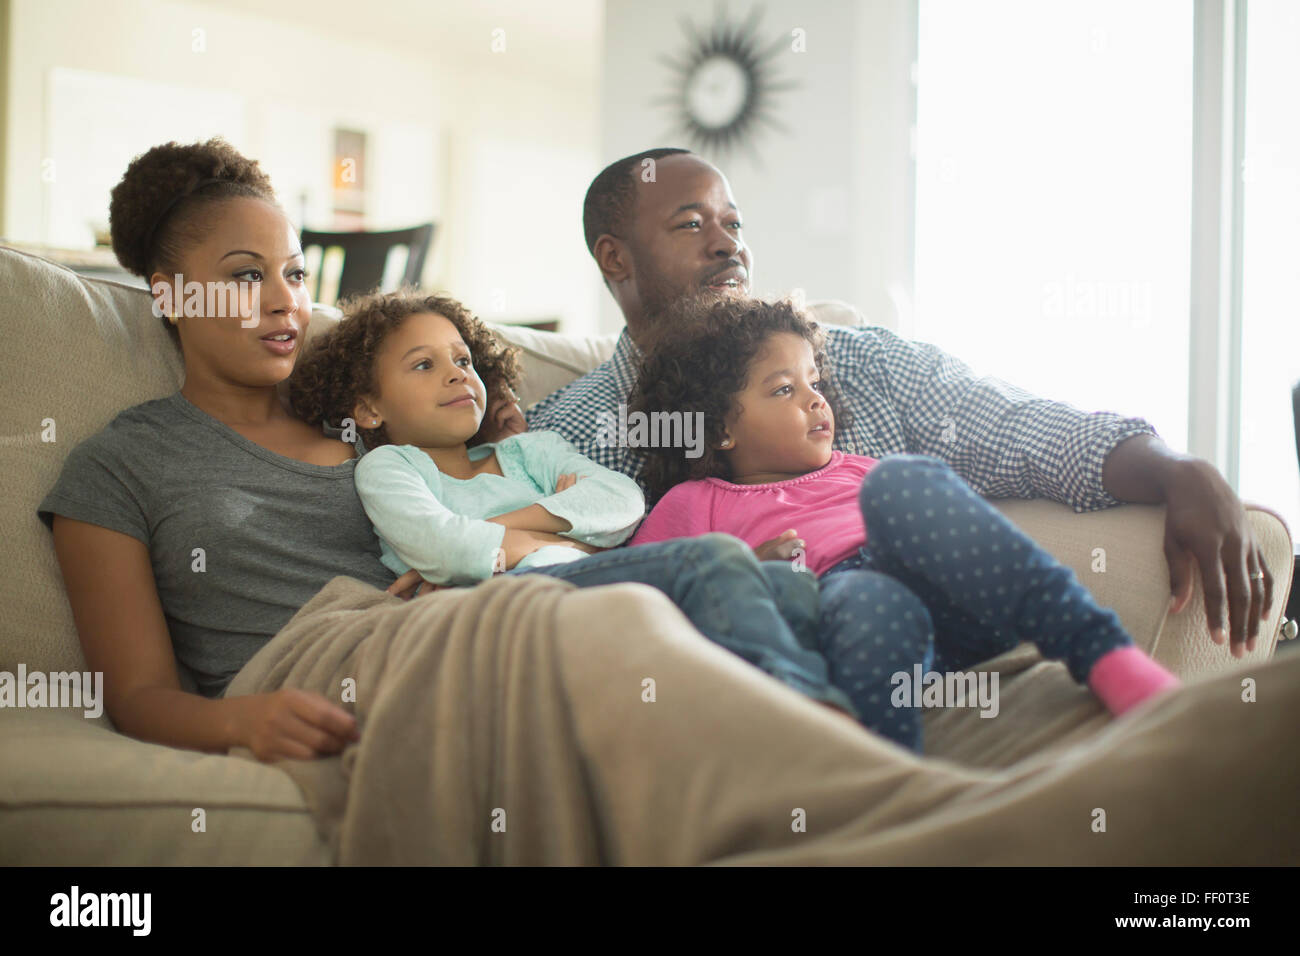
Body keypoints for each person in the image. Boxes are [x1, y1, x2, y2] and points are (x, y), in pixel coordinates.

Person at [33, 137, 1300, 864]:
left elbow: (1021, 433)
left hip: (525, 606)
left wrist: (1167, 464)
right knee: (644, 612)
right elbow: (143, 687)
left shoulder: (384, 411)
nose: (280, 301)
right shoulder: (138, 459)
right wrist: (255, 715)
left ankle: (1119, 753)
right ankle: (906, 818)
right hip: (396, 640)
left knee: (814, 555)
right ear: (164, 292)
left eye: (293, 272)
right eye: (240, 275)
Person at [526, 148, 1275, 662]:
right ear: (614, 258)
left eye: (735, 224)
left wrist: (1179, 472)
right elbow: (512, 575)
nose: (729, 247)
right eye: (692, 224)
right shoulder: (567, 429)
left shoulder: (859, 360)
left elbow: (1019, 429)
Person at [627, 296, 1181, 752]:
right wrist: (747, 572)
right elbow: (640, 598)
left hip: (962, 604)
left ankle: (1103, 652)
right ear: (720, 429)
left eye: (813, 381)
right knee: (869, 598)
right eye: (783, 389)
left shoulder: (866, 471)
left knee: (901, 482)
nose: (816, 400)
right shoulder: (696, 502)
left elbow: (949, 517)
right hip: (859, 627)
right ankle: (888, 790)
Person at [284, 289, 858, 717]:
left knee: (786, 584)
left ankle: (772, 711)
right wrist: (563, 535)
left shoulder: (532, 450)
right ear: (367, 408)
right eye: (423, 365)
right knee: (712, 558)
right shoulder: (392, 467)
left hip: (588, 587)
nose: (456, 376)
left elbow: (621, 503)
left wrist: (513, 535)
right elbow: (448, 549)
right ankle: (810, 713)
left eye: (462, 360)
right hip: (508, 608)